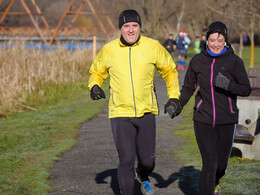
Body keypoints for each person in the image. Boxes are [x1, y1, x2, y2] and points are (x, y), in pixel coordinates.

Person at [88, 9, 181, 195]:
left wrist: (173, 97)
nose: (131, 30)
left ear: (140, 27)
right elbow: (97, 72)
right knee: (126, 159)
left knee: (148, 162)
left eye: (134, 26)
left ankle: (142, 175)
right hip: (120, 113)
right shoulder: (109, 50)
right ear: (120, 28)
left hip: (146, 111)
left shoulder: (152, 46)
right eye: (126, 26)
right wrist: (94, 86)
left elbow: (170, 70)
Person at [165, 21, 251, 195]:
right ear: (206, 40)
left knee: (220, 166)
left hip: (227, 119)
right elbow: (188, 87)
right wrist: (178, 105)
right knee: (209, 164)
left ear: (225, 40)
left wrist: (228, 85)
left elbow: (245, 89)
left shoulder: (234, 62)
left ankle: (215, 183)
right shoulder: (198, 61)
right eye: (212, 40)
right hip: (203, 119)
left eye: (220, 40)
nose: (216, 44)